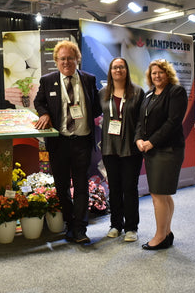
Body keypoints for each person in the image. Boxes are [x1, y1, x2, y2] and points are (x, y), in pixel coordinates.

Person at [34, 40, 102, 244]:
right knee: (62, 186)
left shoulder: (89, 79)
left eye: (70, 58)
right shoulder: (48, 80)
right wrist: (45, 114)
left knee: (81, 185)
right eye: (62, 59)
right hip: (59, 142)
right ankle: (69, 224)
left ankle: (80, 228)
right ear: (56, 61)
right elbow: (39, 101)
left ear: (77, 59)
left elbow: (97, 107)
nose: (66, 62)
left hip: (81, 140)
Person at [135, 59, 188, 250]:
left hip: (167, 150)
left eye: (160, 72)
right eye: (153, 73)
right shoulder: (149, 94)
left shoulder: (176, 92)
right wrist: (139, 139)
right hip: (151, 150)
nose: (156, 76)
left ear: (168, 74)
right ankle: (166, 232)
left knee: (158, 194)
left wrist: (152, 141)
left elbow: (173, 122)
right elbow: (141, 121)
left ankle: (159, 236)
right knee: (163, 194)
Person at [99, 57, 144, 242]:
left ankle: (131, 227)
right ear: (110, 71)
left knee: (130, 188)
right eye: (115, 67)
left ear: (126, 70)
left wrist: (139, 138)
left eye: (121, 67)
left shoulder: (138, 92)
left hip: (131, 148)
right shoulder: (103, 93)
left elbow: (142, 120)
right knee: (115, 188)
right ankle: (115, 225)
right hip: (110, 147)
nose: (118, 70)